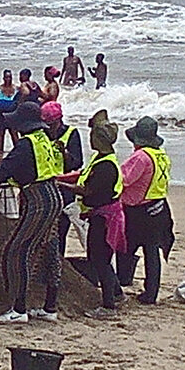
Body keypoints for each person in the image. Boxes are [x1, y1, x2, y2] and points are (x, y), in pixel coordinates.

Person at [0, 102, 64, 324]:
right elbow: (25, 170)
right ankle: (49, 307)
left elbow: (4, 172)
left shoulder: (25, 146)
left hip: (38, 200)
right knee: (49, 249)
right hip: (52, 196)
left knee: (16, 251)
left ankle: (18, 309)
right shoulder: (43, 139)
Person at [57, 110, 126, 320]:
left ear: (99, 139)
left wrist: (60, 184)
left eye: (92, 135)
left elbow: (88, 189)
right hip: (98, 215)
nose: (89, 138)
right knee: (100, 256)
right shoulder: (101, 159)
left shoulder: (107, 166)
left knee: (99, 258)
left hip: (104, 218)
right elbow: (83, 175)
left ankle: (108, 306)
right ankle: (116, 292)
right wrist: (61, 176)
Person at [117, 117, 174, 304]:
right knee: (152, 252)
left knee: (126, 246)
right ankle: (151, 292)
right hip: (159, 208)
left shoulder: (140, 157)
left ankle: (124, 279)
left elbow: (123, 179)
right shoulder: (161, 156)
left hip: (138, 210)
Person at [42, 102, 83, 257]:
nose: (48, 128)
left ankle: (58, 262)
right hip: (46, 186)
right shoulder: (42, 134)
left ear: (59, 121)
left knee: (61, 230)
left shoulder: (71, 134)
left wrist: (65, 153)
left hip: (65, 188)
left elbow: (77, 163)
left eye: (51, 125)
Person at [0, 69, 19, 155]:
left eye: (9, 77)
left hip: (12, 115)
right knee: (0, 132)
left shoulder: (16, 89)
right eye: (6, 77)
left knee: (13, 132)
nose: (8, 79)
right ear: (3, 78)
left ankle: (17, 150)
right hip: (0, 115)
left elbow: (20, 101)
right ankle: (0, 152)